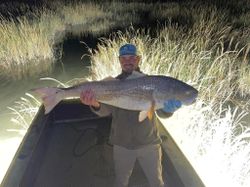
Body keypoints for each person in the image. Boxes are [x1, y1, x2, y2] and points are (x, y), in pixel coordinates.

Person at [80, 44, 182, 187]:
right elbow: (105, 111)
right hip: (122, 144)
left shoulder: (153, 82)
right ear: (120, 61)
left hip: (149, 143)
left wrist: (169, 109)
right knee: (121, 182)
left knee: (157, 182)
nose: (128, 61)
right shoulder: (113, 84)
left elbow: (161, 112)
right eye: (124, 58)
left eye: (132, 57)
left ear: (138, 59)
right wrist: (94, 104)